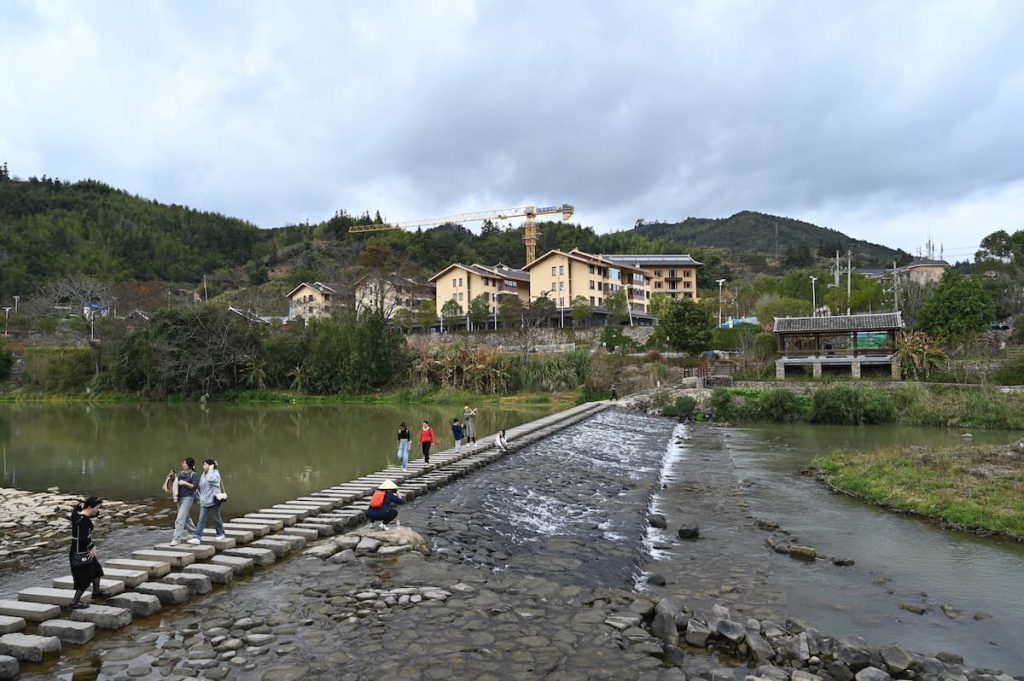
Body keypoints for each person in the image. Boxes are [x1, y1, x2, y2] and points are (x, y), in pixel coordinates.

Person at [68, 496, 114, 609]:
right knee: (84, 578)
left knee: (97, 570)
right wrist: (92, 547)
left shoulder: (78, 515)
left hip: (81, 550)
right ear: (89, 507)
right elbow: (82, 538)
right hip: (80, 552)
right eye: (97, 508)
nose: (98, 510)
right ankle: (74, 603)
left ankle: (96, 592)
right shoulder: (84, 520)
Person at [188, 459, 226, 544]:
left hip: (214, 500)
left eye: (205, 464)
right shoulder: (203, 474)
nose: (203, 466)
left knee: (216, 517)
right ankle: (197, 537)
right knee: (201, 519)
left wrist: (212, 469)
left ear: (210, 465)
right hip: (205, 501)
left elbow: (211, 479)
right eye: (203, 465)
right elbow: (201, 486)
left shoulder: (215, 474)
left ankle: (221, 533)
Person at [168, 457, 198, 545]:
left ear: (189, 465)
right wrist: (173, 477)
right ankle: (193, 532)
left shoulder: (193, 474)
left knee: (180, 518)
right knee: (186, 516)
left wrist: (185, 483)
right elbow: (176, 483)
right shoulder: (181, 473)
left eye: (184, 463)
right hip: (179, 497)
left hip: (188, 497)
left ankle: (176, 539)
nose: (183, 464)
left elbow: (195, 486)